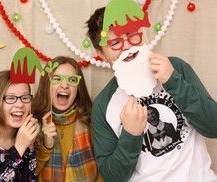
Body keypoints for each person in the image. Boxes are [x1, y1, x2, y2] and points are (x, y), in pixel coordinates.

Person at [86, 2, 217, 182]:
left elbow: (214, 126)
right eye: (115, 43)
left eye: (132, 36)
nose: (127, 47)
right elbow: (113, 176)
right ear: (101, 53)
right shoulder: (103, 104)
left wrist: (173, 81)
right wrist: (130, 134)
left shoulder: (176, 68)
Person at [32, 56, 102, 181]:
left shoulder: (91, 120)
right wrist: (46, 146)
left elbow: (103, 168)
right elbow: (28, 173)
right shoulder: (33, 124)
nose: (64, 85)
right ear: (46, 84)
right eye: (57, 79)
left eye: (72, 80)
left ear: (78, 88)